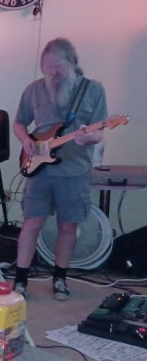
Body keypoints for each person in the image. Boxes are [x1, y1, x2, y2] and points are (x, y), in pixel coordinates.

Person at [12, 38, 108, 301]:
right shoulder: (34, 90)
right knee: (31, 222)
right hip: (39, 169)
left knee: (68, 226)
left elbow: (99, 132)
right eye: (48, 67)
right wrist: (26, 140)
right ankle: (20, 280)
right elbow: (19, 123)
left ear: (72, 63)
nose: (53, 73)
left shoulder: (93, 90)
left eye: (58, 67)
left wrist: (88, 138)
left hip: (74, 171)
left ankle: (60, 279)